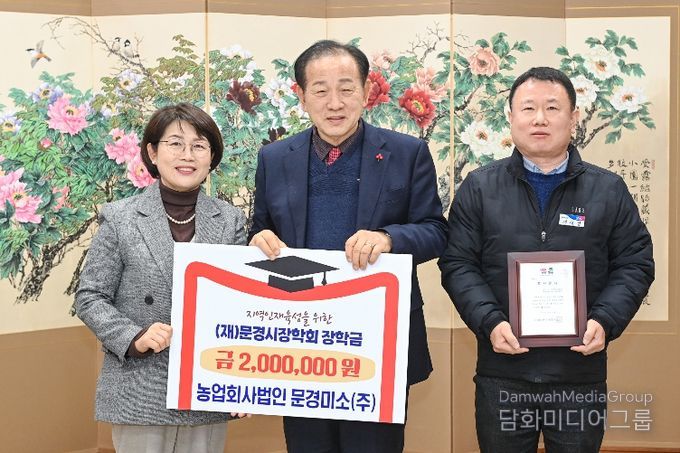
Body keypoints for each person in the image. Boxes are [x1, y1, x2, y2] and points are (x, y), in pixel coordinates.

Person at [438, 66, 654, 452]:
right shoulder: (479, 188)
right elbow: (457, 263)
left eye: (552, 108)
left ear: (573, 118)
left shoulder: (608, 190)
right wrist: (490, 322)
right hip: (502, 373)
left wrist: (605, 320)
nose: (540, 119)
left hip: (579, 374)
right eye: (528, 108)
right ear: (511, 117)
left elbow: (635, 263)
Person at [249, 40, 448, 453]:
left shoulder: (407, 153)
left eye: (346, 88)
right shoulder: (274, 158)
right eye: (320, 90)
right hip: (299, 340)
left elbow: (435, 231)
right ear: (301, 96)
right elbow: (261, 228)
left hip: (378, 337)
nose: (335, 103)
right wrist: (258, 240)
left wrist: (389, 239)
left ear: (366, 91)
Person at [76, 103, 247, 453]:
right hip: (140, 387)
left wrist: (242, 381)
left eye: (199, 145)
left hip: (206, 388)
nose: (187, 155)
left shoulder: (231, 221)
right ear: (153, 153)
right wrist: (133, 337)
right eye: (175, 143)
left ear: (212, 157)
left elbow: (240, 307)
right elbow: (89, 296)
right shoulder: (121, 217)